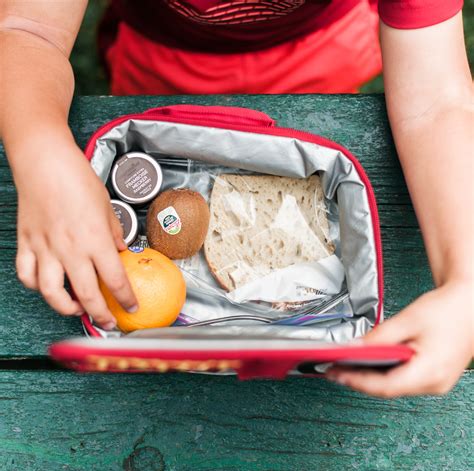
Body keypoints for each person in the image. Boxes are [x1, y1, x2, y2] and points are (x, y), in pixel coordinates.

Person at [0, 0, 472, 398]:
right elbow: (28, 28)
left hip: (324, 51)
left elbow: (437, 100)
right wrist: (40, 150)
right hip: (161, 55)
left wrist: (466, 282)